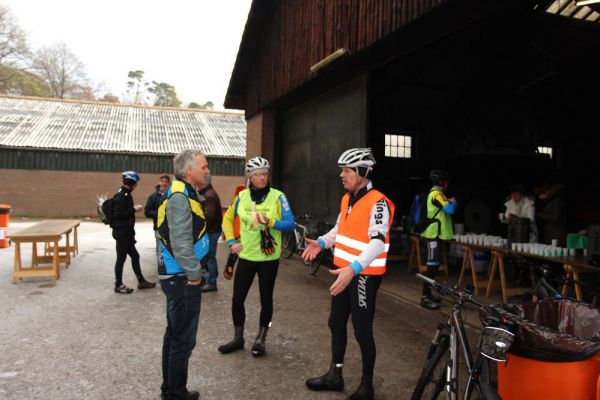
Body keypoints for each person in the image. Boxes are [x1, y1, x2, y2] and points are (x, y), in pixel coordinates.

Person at [302, 148, 395, 400]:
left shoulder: (379, 203)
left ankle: (367, 387)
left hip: (362, 274)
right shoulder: (347, 198)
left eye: (347, 170)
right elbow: (339, 228)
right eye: (341, 170)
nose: (341, 175)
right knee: (335, 322)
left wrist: (354, 270)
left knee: (362, 329)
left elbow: (377, 243)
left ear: (363, 172)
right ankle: (335, 375)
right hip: (343, 272)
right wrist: (322, 242)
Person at [218, 156, 295, 357]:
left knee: (266, 300)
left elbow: (290, 224)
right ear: (250, 178)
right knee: (237, 300)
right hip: (246, 257)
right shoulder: (242, 196)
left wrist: (270, 221)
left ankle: (261, 339)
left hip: (268, 260)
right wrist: (231, 242)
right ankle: (238, 337)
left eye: (264, 174)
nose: (261, 178)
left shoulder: (278, 197)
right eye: (256, 175)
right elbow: (227, 219)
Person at [156, 150, 210, 400]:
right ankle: (176, 393)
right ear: (189, 171)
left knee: (174, 334)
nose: (207, 170)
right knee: (182, 340)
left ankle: (169, 389)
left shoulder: (181, 192)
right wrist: (195, 275)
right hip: (182, 279)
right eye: (203, 166)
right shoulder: (179, 197)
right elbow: (180, 244)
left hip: (177, 276)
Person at [111, 170, 156, 294]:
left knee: (135, 256)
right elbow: (118, 215)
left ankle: (141, 281)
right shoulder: (122, 196)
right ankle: (118, 284)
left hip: (126, 233)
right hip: (122, 233)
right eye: (135, 183)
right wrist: (133, 209)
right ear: (131, 183)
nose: (136, 186)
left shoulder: (124, 194)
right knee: (121, 258)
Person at [419, 169, 457, 310]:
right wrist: (453, 203)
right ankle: (424, 297)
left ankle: (428, 294)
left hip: (435, 235)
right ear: (442, 182)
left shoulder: (435, 194)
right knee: (431, 267)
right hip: (432, 236)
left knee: (433, 267)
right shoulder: (437, 194)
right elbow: (450, 211)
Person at [197, 173, 223, 292]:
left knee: (209, 257)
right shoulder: (206, 193)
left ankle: (211, 283)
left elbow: (209, 216)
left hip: (211, 231)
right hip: (211, 230)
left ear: (203, 182)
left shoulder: (209, 195)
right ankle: (207, 279)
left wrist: (199, 229)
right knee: (207, 256)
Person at [145, 174, 171, 268]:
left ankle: (171, 270)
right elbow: (147, 212)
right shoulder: (153, 197)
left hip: (172, 228)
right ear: (159, 183)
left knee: (171, 249)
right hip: (158, 228)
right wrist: (160, 214)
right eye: (162, 181)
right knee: (160, 250)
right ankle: (161, 271)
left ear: (169, 183)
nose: (164, 183)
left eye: (166, 181)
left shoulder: (172, 195)